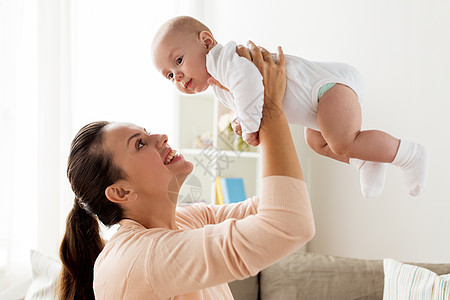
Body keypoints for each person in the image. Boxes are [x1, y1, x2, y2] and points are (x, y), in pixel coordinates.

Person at [57, 43, 315, 300]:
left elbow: (288, 205)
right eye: (140, 143)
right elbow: (289, 224)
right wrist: (270, 110)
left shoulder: (188, 221)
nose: (160, 137)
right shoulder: (134, 259)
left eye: (146, 132)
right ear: (122, 191)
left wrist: (251, 103)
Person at [151, 16, 429, 198]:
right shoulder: (217, 85)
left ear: (207, 41)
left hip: (328, 88)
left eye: (178, 62)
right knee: (316, 142)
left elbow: (248, 81)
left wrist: (249, 126)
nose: (178, 76)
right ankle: (364, 159)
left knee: (341, 141)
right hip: (316, 105)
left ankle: (409, 154)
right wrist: (240, 118)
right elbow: (246, 99)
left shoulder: (220, 59)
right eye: (169, 75)